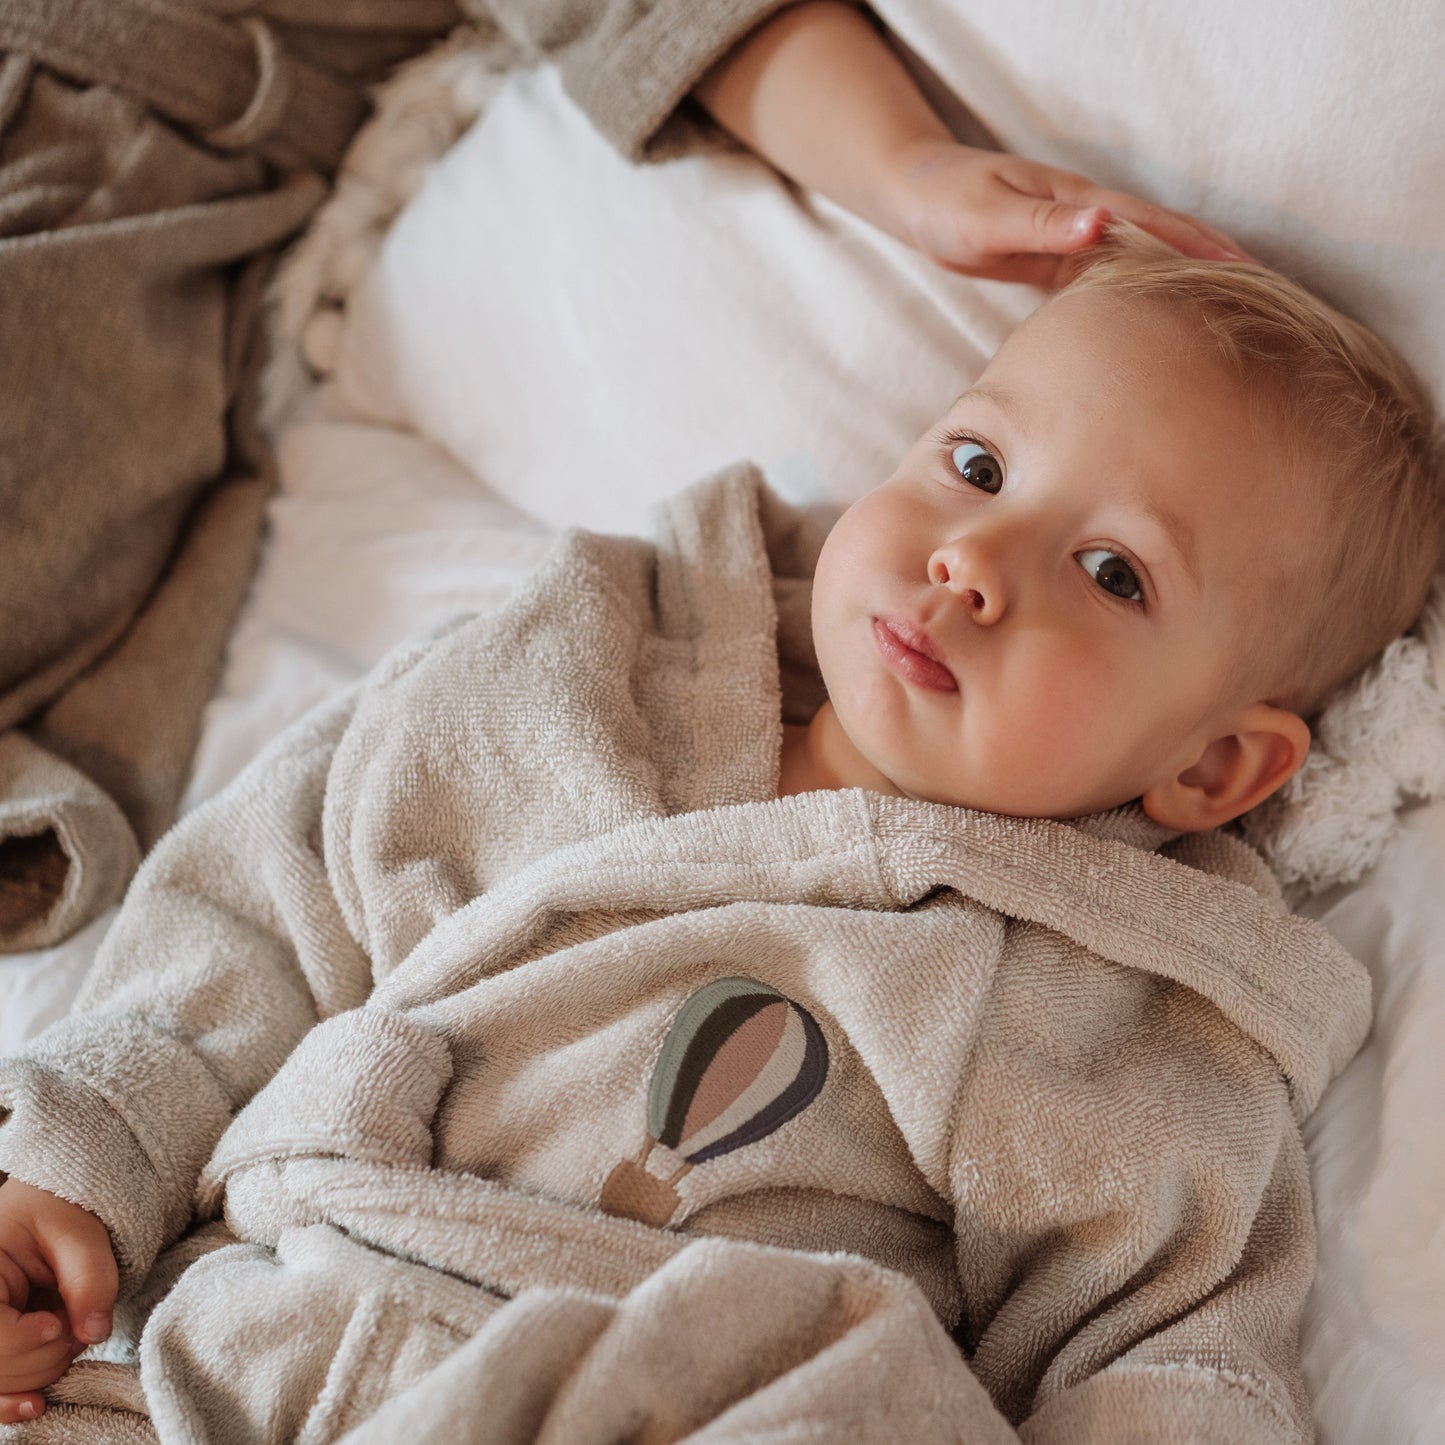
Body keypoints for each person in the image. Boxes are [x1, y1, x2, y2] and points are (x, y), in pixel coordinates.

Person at [0, 219, 1438, 1441]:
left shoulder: (1116, 998)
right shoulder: (586, 662)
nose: (972, 560)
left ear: (1212, 768)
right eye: (980, 468)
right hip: (274, 1331)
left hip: (685, 1387)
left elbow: (1163, 1345)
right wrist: (80, 1157)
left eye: (1111, 569)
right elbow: (271, 889)